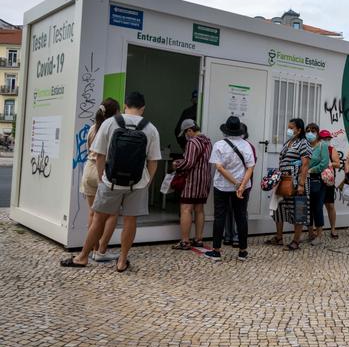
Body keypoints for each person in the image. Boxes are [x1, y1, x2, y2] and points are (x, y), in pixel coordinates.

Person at [61, 91, 161, 272]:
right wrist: (147, 181)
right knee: (130, 221)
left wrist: (101, 178)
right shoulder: (151, 129)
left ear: (125, 105)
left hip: (110, 180)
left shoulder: (109, 123)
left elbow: (99, 155)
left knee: (98, 218)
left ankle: (83, 257)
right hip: (137, 183)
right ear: (143, 108)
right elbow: (153, 161)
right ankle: (122, 262)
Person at [205, 116, 255, 261]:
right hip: (242, 188)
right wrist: (241, 185)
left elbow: (219, 168)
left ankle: (216, 251)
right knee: (241, 217)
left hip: (222, 186)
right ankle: (243, 251)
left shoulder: (219, 145)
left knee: (219, 217)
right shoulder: (246, 145)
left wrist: (235, 183)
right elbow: (250, 167)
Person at [79, 98, 121, 262]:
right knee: (112, 214)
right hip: (101, 171)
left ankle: (93, 249)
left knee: (93, 213)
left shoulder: (93, 128)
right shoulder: (111, 129)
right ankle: (102, 250)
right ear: (115, 112)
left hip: (88, 170)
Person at [265, 118, 312, 250]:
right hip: (284, 180)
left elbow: (305, 164)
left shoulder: (303, 143)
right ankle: (279, 237)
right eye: (289, 127)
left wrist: (301, 184)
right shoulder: (288, 142)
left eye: (291, 127)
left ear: (299, 129)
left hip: (297, 181)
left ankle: (296, 241)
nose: (289, 130)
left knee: (299, 209)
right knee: (279, 208)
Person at [171, 119, 212, 250]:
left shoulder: (192, 142)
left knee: (186, 209)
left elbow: (189, 163)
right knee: (199, 209)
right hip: (204, 179)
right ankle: (198, 239)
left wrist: (176, 164)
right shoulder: (208, 141)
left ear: (190, 130)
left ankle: (185, 241)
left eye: (185, 133)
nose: (185, 136)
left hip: (192, 181)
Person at [305, 123, 330, 245]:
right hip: (305, 180)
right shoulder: (305, 146)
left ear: (318, 133)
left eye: (313, 131)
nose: (310, 133)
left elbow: (324, 163)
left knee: (317, 207)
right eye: (308, 130)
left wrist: (311, 170)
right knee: (307, 207)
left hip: (317, 180)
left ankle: (319, 235)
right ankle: (310, 233)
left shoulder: (322, 145)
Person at [320, 129, 340, 239]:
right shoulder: (315, 149)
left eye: (328, 139)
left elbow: (337, 164)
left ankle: (333, 229)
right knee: (317, 206)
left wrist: (328, 163)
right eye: (324, 139)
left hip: (328, 181)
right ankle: (317, 230)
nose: (326, 141)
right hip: (317, 180)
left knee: (330, 205)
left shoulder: (332, 149)